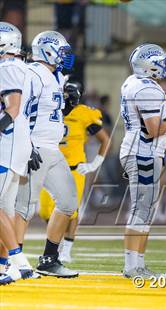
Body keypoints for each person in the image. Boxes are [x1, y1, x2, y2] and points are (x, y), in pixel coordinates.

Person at [13, 30, 79, 278]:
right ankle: (13, 261)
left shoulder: (55, 75)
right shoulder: (33, 74)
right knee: (24, 208)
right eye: (61, 51)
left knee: (68, 202)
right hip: (36, 148)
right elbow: (20, 111)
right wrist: (26, 146)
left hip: (53, 148)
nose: (65, 57)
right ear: (48, 50)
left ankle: (49, 259)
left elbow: (49, 114)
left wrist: (67, 104)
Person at [38, 80, 110, 263]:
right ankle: (58, 242)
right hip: (51, 167)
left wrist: (95, 163)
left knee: (71, 211)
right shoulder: (50, 111)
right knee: (46, 211)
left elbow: (105, 140)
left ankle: (66, 249)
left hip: (74, 168)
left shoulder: (84, 114)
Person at [119, 43, 166, 278]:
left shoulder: (133, 82)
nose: (164, 65)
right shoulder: (148, 88)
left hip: (138, 149)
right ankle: (132, 266)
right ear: (149, 65)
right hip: (144, 151)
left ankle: (138, 264)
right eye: (160, 61)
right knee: (141, 210)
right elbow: (153, 129)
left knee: (145, 210)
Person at [0, 21, 33, 285]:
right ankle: (5, 265)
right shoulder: (22, 67)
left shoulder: (9, 67)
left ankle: (18, 262)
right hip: (17, 144)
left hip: (6, 144)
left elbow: (13, 107)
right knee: (5, 209)